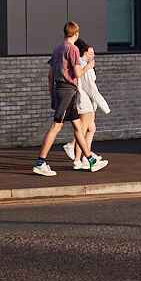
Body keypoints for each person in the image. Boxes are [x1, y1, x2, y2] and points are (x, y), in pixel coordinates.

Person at [31, 20, 85, 176]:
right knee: (56, 126)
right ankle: (40, 162)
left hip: (60, 89)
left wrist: (52, 94)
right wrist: (87, 66)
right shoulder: (73, 49)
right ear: (76, 34)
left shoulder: (57, 49)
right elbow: (78, 73)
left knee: (77, 125)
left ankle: (89, 158)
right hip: (68, 90)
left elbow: (50, 75)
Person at [70, 42, 110, 171]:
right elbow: (91, 88)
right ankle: (78, 160)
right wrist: (104, 106)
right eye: (91, 53)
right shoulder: (84, 66)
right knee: (81, 131)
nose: (94, 55)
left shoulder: (84, 65)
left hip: (87, 102)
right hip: (85, 102)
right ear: (85, 53)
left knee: (91, 129)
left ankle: (84, 158)